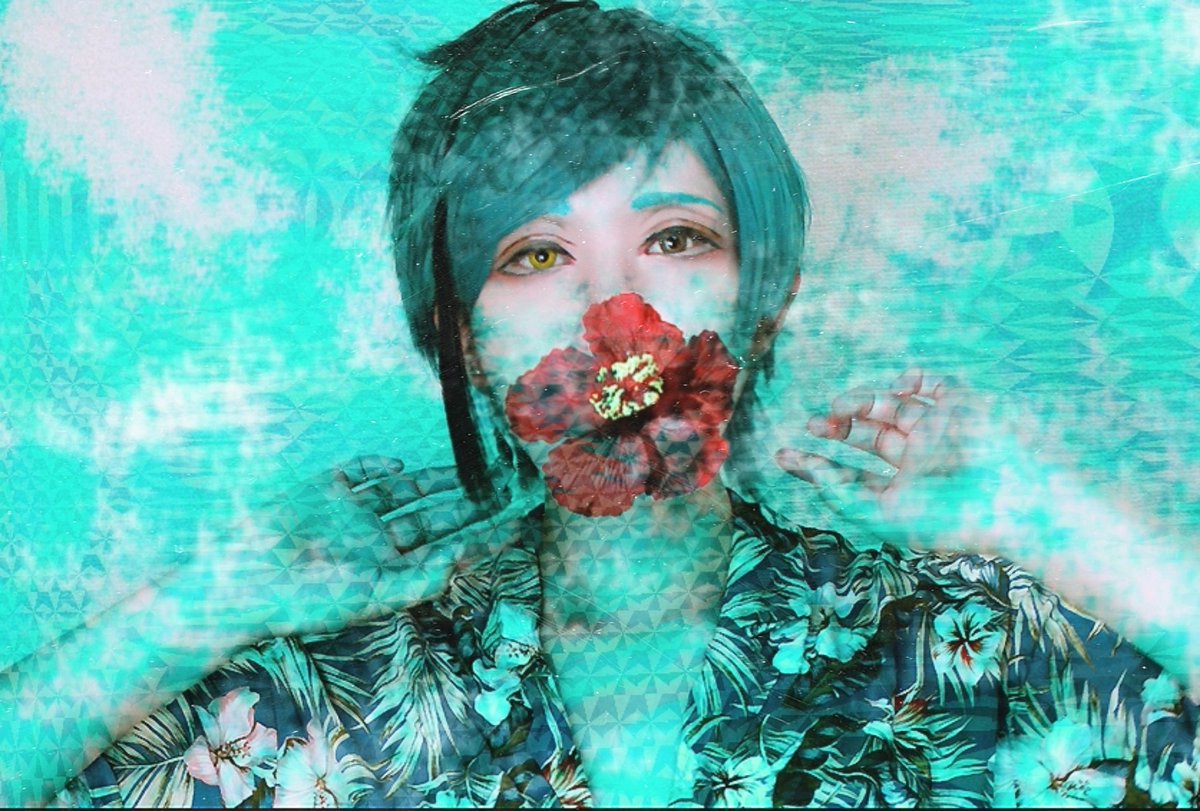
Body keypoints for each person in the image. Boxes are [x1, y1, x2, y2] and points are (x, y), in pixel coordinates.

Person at [3, 1, 1199, 807]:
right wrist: (216, 594)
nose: (611, 307)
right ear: (460, 339)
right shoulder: (341, 705)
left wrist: (1035, 511)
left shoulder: (952, 647)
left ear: (764, 298)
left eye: (674, 237)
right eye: (536, 255)